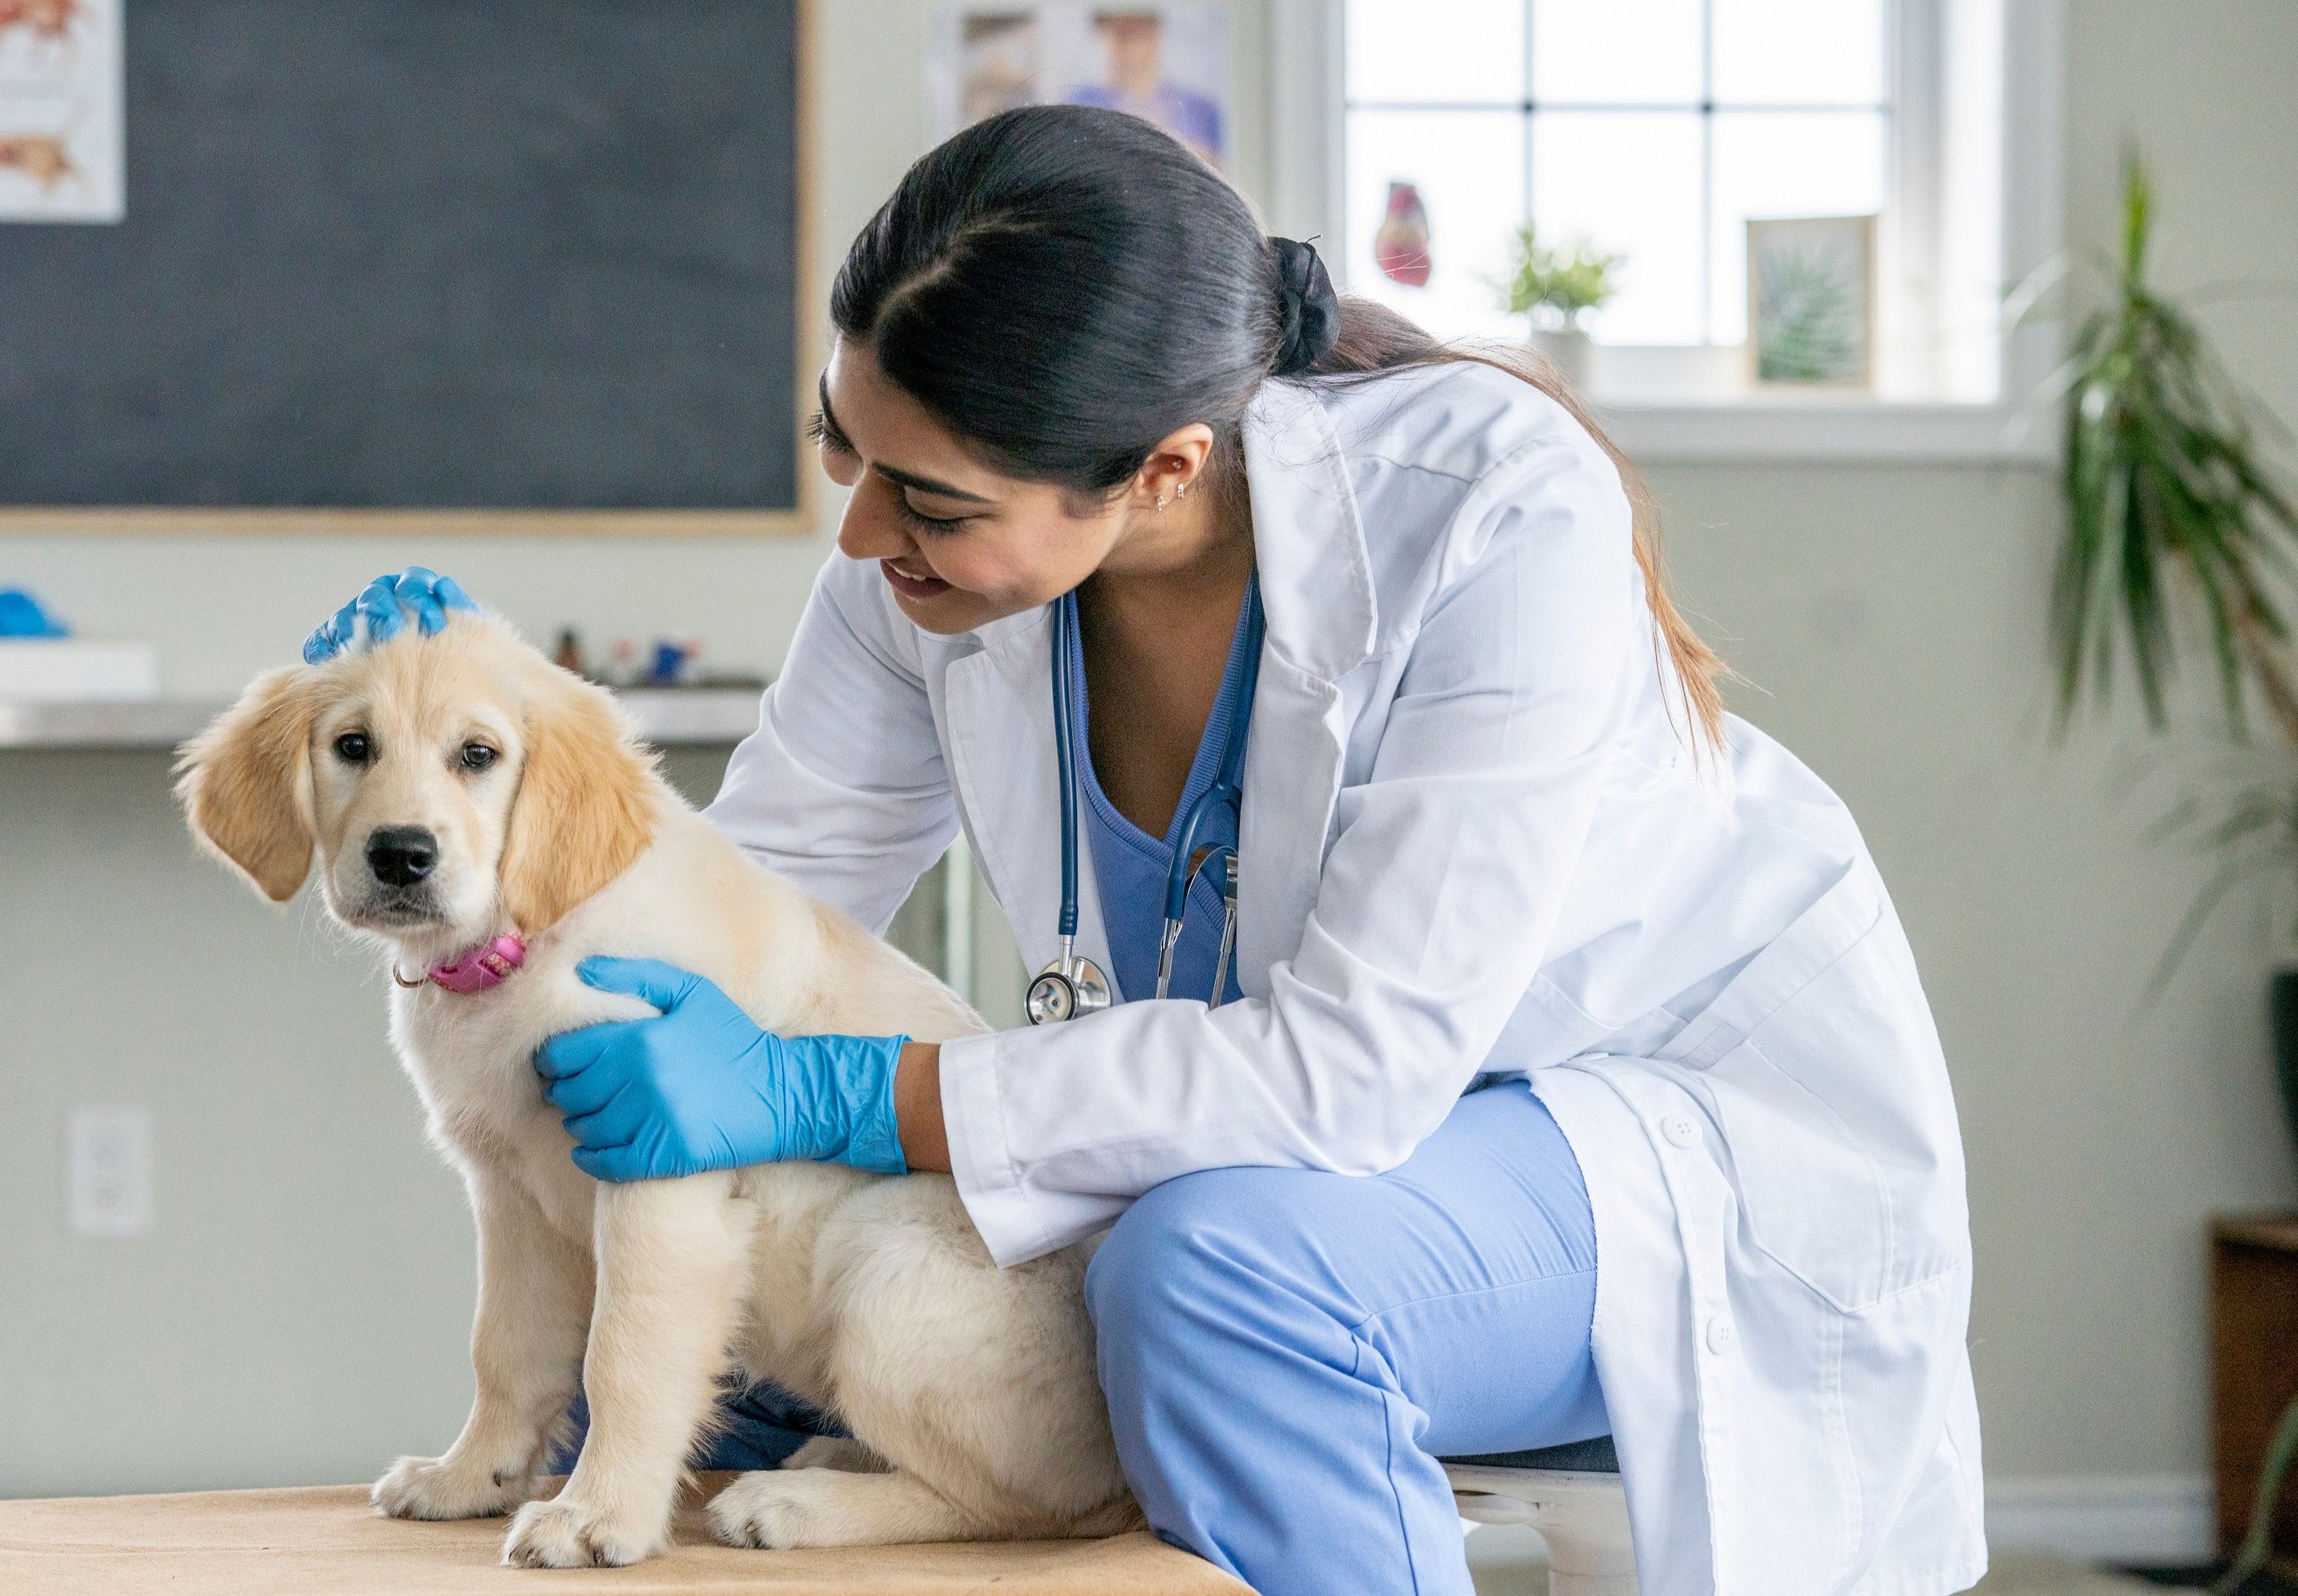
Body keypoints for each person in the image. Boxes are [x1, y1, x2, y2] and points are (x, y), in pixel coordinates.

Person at [306, 105, 1982, 1596]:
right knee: (675, 1351)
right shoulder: (926, 572)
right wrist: (469, 809)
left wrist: (844, 1097)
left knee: (1217, 1277)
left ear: (1164, 468)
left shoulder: (1494, 516)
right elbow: (737, 902)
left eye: (933, 500)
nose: (865, 531)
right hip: (1281, 1131)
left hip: (1641, 1123)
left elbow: (1351, 1075)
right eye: (843, 445)